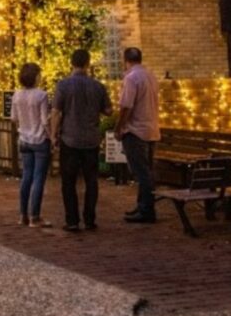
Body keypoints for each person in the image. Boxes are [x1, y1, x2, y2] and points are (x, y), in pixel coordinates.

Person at [51, 49, 112, 231]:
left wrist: (53, 134)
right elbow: (108, 110)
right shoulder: (98, 86)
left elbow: (56, 112)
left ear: (72, 63)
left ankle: (72, 220)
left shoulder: (63, 85)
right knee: (91, 181)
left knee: (68, 181)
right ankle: (90, 219)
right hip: (91, 139)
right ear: (88, 63)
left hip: (70, 138)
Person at [115, 47, 161, 224]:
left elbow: (126, 105)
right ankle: (143, 204)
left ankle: (146, 209)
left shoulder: (131, 78)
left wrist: (119, 127)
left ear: (126, 60)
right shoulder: (151, 76)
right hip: (151, 129)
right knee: (147, 170)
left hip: (135, 131)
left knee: (141, 172)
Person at [11, 62, 52, 228]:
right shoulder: (41, 95)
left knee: (26, 176)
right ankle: (35, 216)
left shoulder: (17, 95)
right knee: (38, 178)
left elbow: (13, 119)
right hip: (40, 140)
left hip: (24, 139)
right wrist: (52, 137)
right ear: (35, 77)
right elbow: (44, 121)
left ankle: (23, 215)